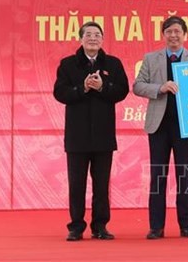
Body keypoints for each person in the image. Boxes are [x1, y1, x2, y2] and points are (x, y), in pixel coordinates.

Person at [53, 21, 129, 241]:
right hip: (77, 136)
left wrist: (103, 87)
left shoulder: (113, 64)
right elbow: (59, 93)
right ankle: (76, 226)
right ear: (81, 39)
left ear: (102, 39)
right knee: (76, 184)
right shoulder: (68, 64)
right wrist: (83, 88)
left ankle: (100, 226)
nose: (93, 38)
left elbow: (122, 90)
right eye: (88, 35)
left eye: (97, 35)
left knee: (101, 184)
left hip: (104, 135)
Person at [133, 16, 188, 239]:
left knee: (185, 175)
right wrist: (160, 88)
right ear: (163, 35)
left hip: (186, 126)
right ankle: (156, 226)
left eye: (177, 32)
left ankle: (187, 225)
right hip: (159, 126)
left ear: (185, 34)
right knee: (158, 175)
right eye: (169, 32)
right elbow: (137, 86)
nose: (173, 36)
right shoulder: (151, 59)